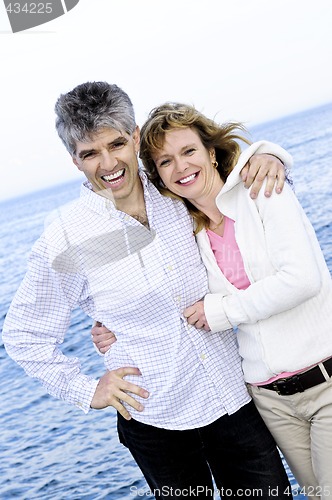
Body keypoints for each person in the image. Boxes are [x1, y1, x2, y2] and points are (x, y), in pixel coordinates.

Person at [2, 82, 293, 499]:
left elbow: (233, 166)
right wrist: (88, 389)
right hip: (157, 421)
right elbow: (24, 335)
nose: (108, 163)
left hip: (236, 398)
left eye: (116, 144)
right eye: (89, 153)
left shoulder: (178, 187)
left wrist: (269, 155)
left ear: (135, 136)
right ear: (74, 160)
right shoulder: (66, 237)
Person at [133, 101, 332, 498]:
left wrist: (220, 311)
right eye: (165, 162)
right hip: (268, 398)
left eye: (188, 151)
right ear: (158, 177)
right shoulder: (190, 236)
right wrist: (110, 326)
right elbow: (167, 294)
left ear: (210, 151)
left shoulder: (261, 187)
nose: (181, 167)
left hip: (325, 381)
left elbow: (301, 280)